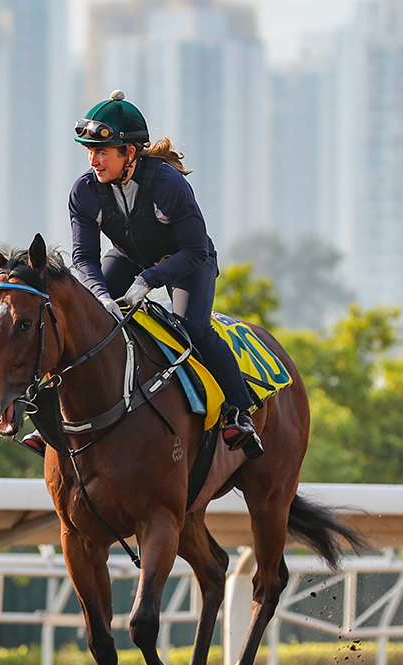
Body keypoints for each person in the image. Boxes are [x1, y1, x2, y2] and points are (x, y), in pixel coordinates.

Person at [66, 90, 261, 458]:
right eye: (89, 151)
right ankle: (50, 418)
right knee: (81, 320)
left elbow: (195, 250)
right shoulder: (84, 191)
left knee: (193, 328)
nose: (93, 160)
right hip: (127, 257)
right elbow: (83, 256)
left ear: (130, 153)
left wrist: (147, 281)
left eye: (102, 152)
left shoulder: (169, 185)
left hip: (186, 261)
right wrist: (102, 296)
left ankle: (240, 411)